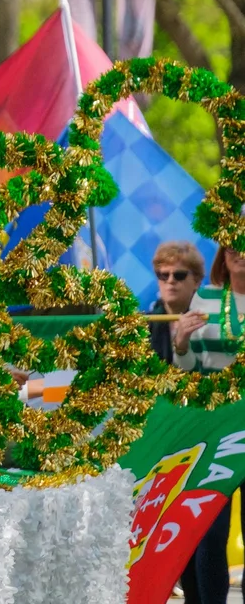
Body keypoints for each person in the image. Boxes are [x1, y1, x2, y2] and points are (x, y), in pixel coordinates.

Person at [172, 243, 239, 604]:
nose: (238, 253)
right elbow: (186, 373)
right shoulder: (206, 299)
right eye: (231, 246)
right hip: (214, 427)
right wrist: (180, 342)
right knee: (208, 530)